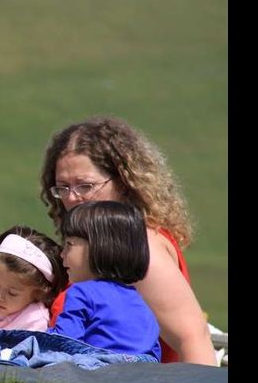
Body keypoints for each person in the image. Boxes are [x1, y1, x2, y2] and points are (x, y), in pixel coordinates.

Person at [40, 116, 216, 365]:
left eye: (85, 186)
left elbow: (192, 339)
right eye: (62, 187)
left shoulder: (139, 245)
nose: (71, 198)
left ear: (123, 183)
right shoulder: (99, 241)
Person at [46, 201, 161, 360]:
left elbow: (63, 343)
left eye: (69, 244)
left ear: (99, 246)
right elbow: (153, 351)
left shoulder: (81, 292)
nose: (62, 254)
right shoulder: (139, 301)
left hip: (99, 373)